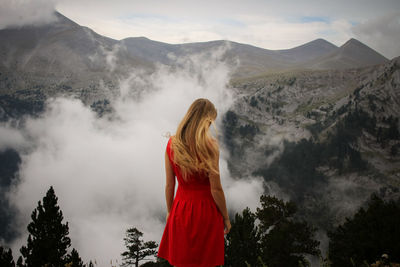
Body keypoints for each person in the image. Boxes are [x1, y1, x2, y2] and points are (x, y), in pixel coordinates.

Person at [157, 98, 231, 267]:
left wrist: (170, 212)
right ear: (206, 121)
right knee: (206, 262)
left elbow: (169, 185)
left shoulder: (172, 144)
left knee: (182, 261)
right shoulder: (210, 146)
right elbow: (216, 189)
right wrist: (226, 218)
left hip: (180, 210)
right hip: (207, 212)